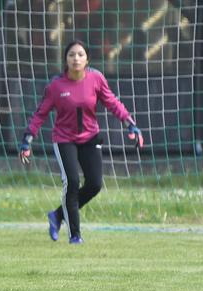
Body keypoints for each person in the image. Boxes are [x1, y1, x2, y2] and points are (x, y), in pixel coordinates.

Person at [19, 40, 143, 244]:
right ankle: (75, 235)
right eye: (71, 55)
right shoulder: (56, 86)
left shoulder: (96, 79)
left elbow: (112, 102)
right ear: (66, 60)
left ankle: (57, 215)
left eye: (80, 54)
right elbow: (40, 115)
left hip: (89, 137)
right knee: (72, 183)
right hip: (64, 139)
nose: (76, 58)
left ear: (87, 59)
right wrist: (27, 141)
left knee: (94, 184)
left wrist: (130, 124)